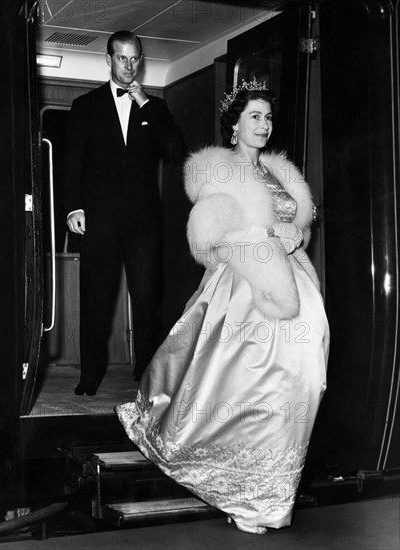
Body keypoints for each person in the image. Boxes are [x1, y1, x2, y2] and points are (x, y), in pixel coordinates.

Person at [116, 79, 329, 534]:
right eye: (254, 116)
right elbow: (206, 238)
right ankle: (245, 494)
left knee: (303, 383)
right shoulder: (219, 171)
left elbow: (298, 224)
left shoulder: (281, 173)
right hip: (248, 287)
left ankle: (271, 488)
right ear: (233, 126)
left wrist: (297, 236)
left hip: (295, 287)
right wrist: (268, 239)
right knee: (249, 385)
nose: (264, 124)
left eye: (268, 117)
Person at [64, 31, 184, 395]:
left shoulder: (157, 108)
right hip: (98, 219)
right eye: (122, 58)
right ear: (109, 59)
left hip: (144, 223)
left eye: (135, 59)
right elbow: (72, 163)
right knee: (95, 299)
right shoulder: (85, 105)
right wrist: (73, 207)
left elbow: (176, 152)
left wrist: (147, 103)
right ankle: (90, 375)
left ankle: (146, 374)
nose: (129, 66)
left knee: (147, 298)